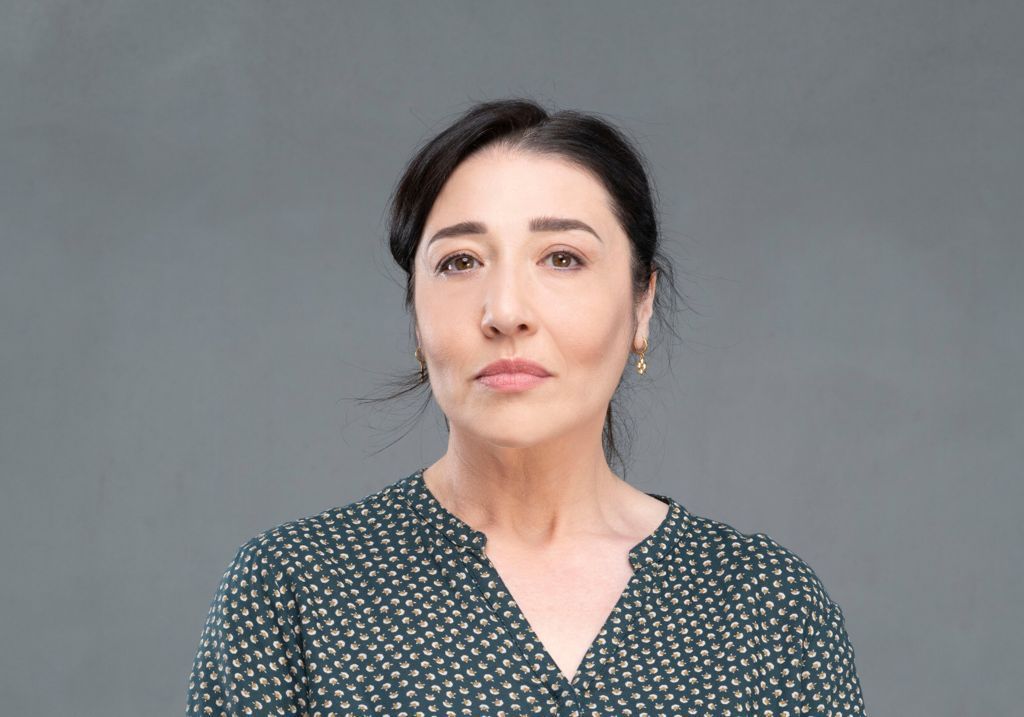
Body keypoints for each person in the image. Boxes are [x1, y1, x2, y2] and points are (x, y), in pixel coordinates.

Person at [186, 98, 867, 716]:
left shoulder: (769, 609)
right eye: (460, 262)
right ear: (416, 315)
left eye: (562, 258)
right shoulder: (293, 590)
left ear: (641, 304)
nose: (506, 310)